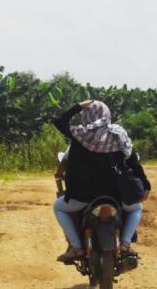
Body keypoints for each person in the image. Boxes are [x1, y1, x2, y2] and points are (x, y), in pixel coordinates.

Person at [51, 99, 151, 262]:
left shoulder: (80, 135)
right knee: (136, 208)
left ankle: (76, 247)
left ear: (87, 116)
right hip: (116, 195)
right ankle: (125, 244)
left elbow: (59, 121)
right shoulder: (119, 134)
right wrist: (146, 185)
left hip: (83, 196)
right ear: (107, 115)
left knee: (59, 207)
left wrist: (78, 106)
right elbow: (134, 162)